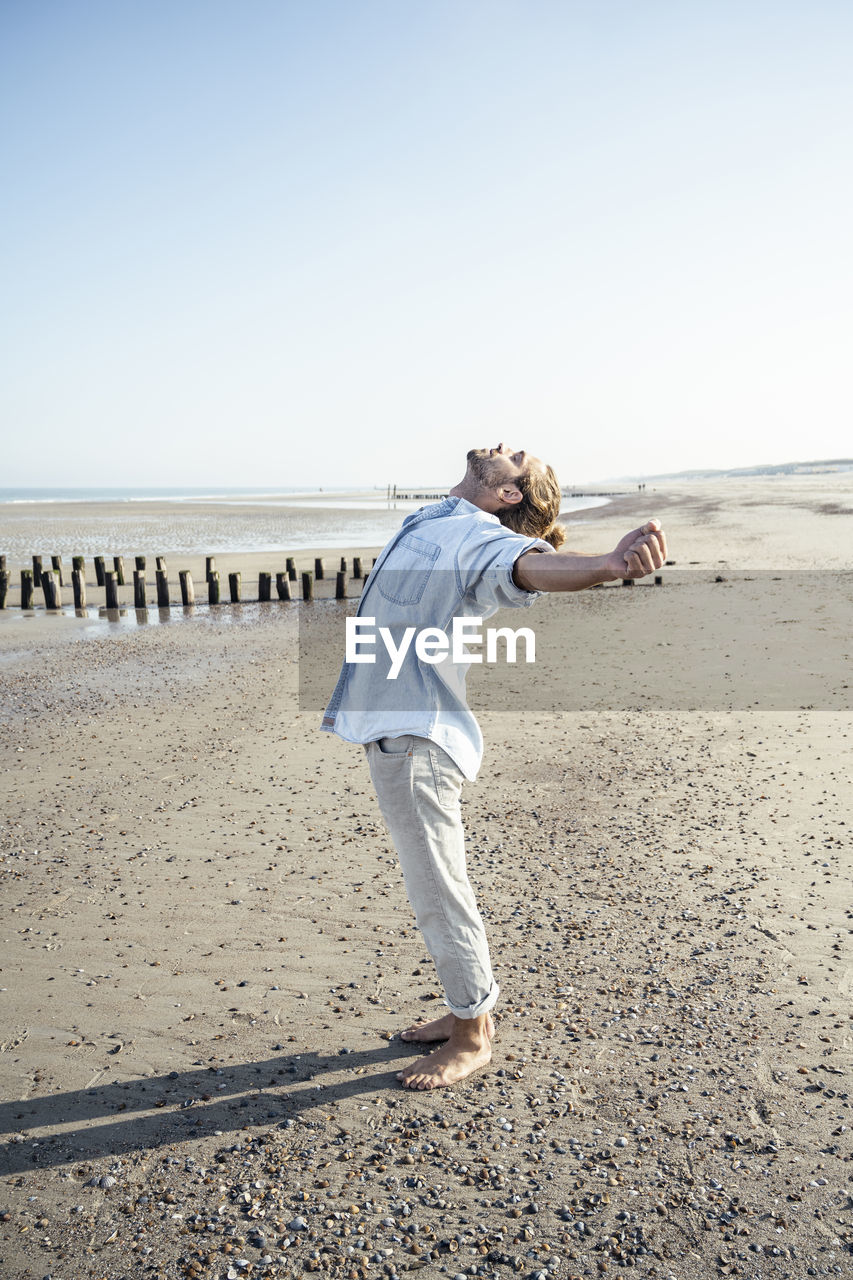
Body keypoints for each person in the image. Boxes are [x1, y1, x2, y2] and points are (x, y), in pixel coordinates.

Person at [322, 443, 667, 1090]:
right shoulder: (437, 521)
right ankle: (463, 1006)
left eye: (520, 460)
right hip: (396, 731)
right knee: (432, 884)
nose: (512, 447)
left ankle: (472, 1034)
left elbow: (530, 566)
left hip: (415, 737)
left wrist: (606, 565)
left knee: (437, 890)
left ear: (508, 495)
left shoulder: (478, 537)